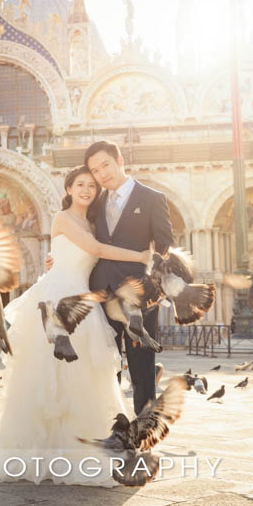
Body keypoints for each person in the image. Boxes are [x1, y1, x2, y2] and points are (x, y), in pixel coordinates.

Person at [0, 165, 153, 485]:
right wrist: (140, 256)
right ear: (69, 189)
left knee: (86, 375)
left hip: (81, 303)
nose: (86, 190)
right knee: (47, 378)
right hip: (58, 299)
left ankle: (83, 448)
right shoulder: (62, 219)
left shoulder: (93, 222)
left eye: (91, 185)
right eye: (80, 184)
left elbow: (92, 257)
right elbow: (98, 250)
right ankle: (43, 452)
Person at [83, 140, 174, 415]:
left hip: (139, 296)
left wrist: (153, 286)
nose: (101, 174)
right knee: (106, 361)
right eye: (95, 170)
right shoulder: (95, 203)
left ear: (119, 160)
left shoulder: (152, 198)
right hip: (102, 292)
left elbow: (164, 245)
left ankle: (145, 426)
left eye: (105, 165)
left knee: (142, 364)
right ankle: (114, 423)